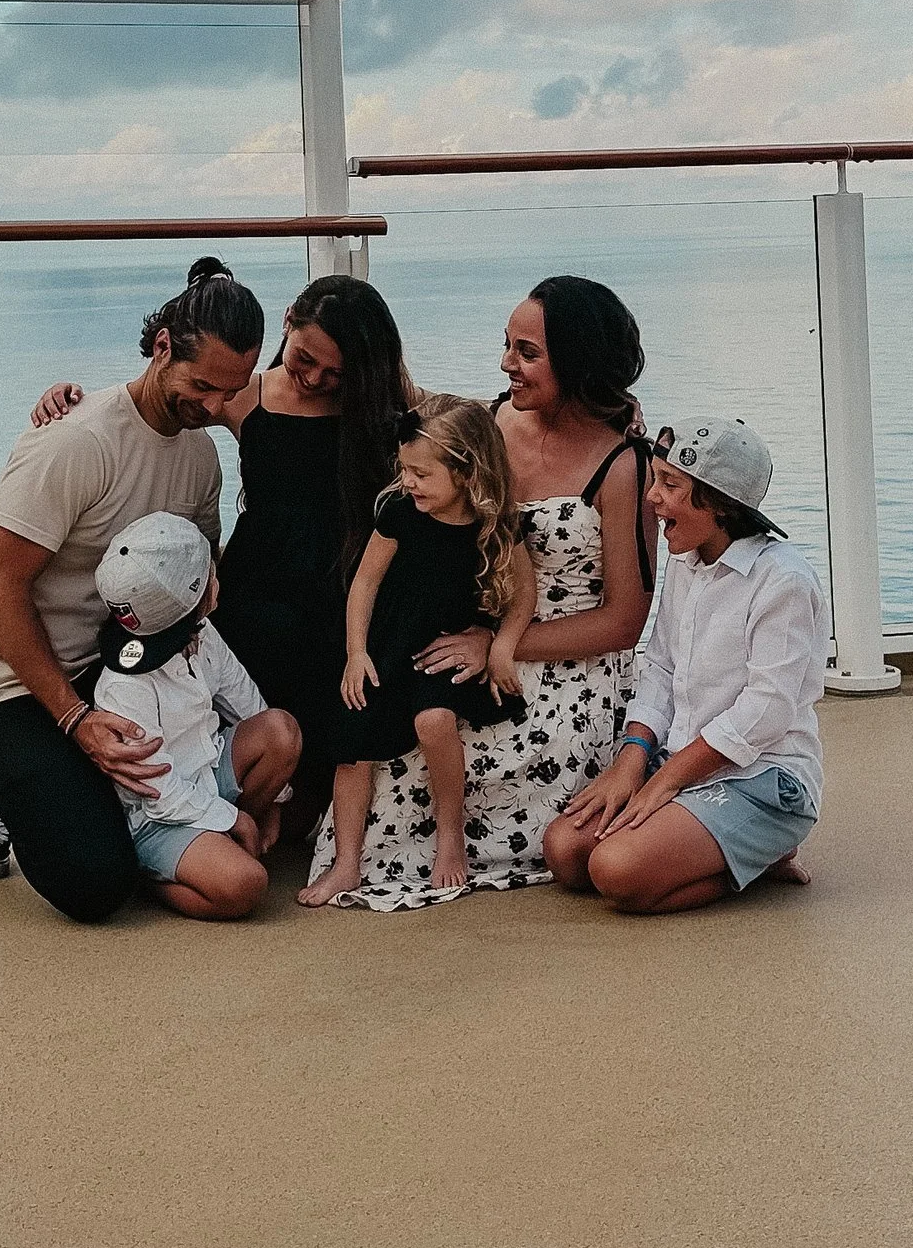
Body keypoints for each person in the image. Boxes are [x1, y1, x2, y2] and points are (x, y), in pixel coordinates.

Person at [0, 257, 291, 922]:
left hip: (114, 661)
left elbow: (196, 581)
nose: (214, 407)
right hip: (2, 679)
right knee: (95, 886)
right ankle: (1, 786)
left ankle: (131, 814)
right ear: (162, 346)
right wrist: (74, 719)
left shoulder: (198, 459)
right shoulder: (76, 442)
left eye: (230, 390)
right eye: (202, 384)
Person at [313, 275, 653, 909]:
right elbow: (405, 415)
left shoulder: (623, 463)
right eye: (507, 346)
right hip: (460, 631)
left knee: (459, 729)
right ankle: (358, 860)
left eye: (528, 353)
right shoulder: (486, 425)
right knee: (391, 729)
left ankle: (465, 847)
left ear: (576, 361)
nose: (507, 364)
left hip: (563, 655)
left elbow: (626, 620)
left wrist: (502, 645)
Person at [27, 275, 416, 791]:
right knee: (235, 707)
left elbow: (457, 426)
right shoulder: (243, 396)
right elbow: (154, 404)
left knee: (326, 769)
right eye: (304, 358)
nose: (316, 378)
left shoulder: (376, 405)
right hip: (260, 590)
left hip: (343, 584)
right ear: (287, 323)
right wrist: (67, 396)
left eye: (335, 373)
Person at [543, 414, 825, 914]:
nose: (652, 497)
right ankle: (735, 853)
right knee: (566, 853)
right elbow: (660, 668)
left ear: (719, 503)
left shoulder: (782, 581)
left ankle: (769, 851)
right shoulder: (685, 560)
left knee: (616, 871)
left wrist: (665, 782)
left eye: (669, 484)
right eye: (655, 479)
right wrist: (631, 765)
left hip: (760, 778)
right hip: (679, 761)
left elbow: (767, 711)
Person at [299, 399, 534, 910]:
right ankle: (346, 863)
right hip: (388, 645)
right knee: (353, 744)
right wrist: (355, 652)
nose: (408, 481)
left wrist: (502, 647)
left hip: (441, 650)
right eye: (404, 469)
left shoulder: (494, 524)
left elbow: (523, 596)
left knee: (433, 721)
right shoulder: (400, 513)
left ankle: (450, 836)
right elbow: (364, 583)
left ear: (467, 471)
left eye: (421, 473)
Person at [89, 514, 296, 922]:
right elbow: (157, 790)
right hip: (158, 816)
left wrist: (273, 802)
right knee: (245, 885)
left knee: (281, 729)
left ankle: (222, 843)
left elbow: (246, 702)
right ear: (200, 594)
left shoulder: (199, 632)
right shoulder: (124, 686)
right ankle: (150, 876)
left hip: (207, 771)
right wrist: (235, 818)